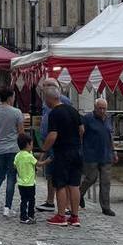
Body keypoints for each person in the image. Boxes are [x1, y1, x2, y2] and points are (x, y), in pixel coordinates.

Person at [41, 86, 84, 227]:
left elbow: (53, 135)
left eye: (45, 99)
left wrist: (44, 149)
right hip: (76, 151)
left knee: (60, 184)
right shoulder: (73, 110)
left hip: (63, 152)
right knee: (74, 184)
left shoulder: (54, 113)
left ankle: (61, 215)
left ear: (49, 99)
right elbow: (81, 129)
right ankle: (75, 216)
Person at [0, 87, 24, 216]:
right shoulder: (17, 112)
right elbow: (21, 132)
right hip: (13, 148)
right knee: (11, 178)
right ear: (9, 97)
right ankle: (7, 207)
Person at [36, 78, 72, 213]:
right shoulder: (46, 102)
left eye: (47, 86)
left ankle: (66, 205)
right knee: (50, 174)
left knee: (61, 175)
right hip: (49, 140)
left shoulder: (63, 101)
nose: (44, 88)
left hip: (58, 142)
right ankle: (50, 201)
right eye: (43, 86)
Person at [80, 98, 116, 216]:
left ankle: (106, 207)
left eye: (104, 108)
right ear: (95, 108)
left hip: (106, 154)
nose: (102, 111)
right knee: (91, 178)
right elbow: (81, 134)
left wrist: (114, 151)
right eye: (99, 108)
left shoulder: (108, 118)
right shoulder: (87, 119)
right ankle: (79, 194)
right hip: (91, 154)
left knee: (106, 182)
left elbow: (110, 135)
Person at [14, 133, 38, 224]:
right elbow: (37, 163)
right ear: (28, 144)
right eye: (32, 144)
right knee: (31, 199)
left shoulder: (18, 155)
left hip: (21, 183)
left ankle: (23, 216)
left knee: (23, 200)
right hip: (30, 183)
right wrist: (47, 161)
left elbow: (15, 166)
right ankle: (30, 215)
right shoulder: (29, 156)